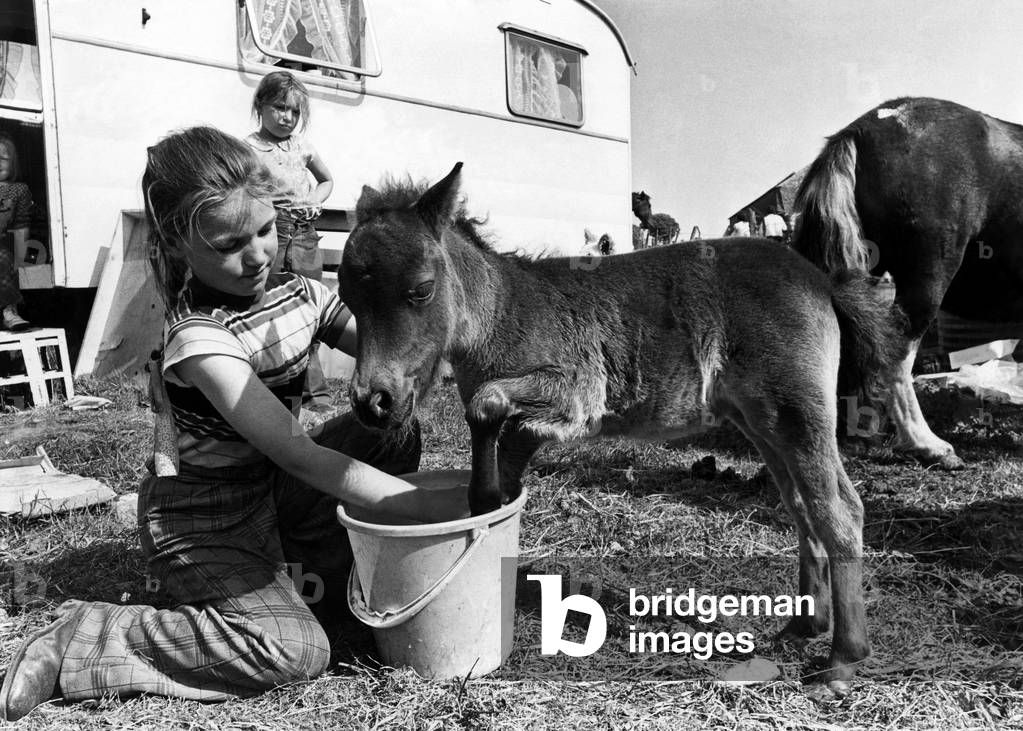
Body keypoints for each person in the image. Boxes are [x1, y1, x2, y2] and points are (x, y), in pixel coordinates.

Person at [0, 126, 466, 721]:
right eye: (229, 244)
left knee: (393, 429)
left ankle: (311, 577)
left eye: (266, 230)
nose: (257, 256)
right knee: (293, 650)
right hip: (208, 520)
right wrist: (423, 507)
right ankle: (90, 636)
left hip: (276, 494)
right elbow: (300, 453)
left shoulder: (302, 295)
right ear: (178, 244)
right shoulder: (199, 338)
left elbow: (394, 348)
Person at [245, 71, 334, 413]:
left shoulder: (303, 147)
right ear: (260, 105)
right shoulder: (249, 148)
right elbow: (243, 190)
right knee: (267, 307)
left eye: (295, 111)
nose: (287, 117)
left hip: (305, 233)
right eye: (280, 107)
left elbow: (326, 180)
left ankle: (315, 395)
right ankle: (267, 388)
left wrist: (314, 199)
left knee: (309, 308)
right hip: (273, 232)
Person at [0, 132, 33, 330]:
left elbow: (22, 226)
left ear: (13, 163)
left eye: (2, 158)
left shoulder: (19, 190)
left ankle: (9, 310)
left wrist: (23, 260)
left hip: (6, 244)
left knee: (4, 259)